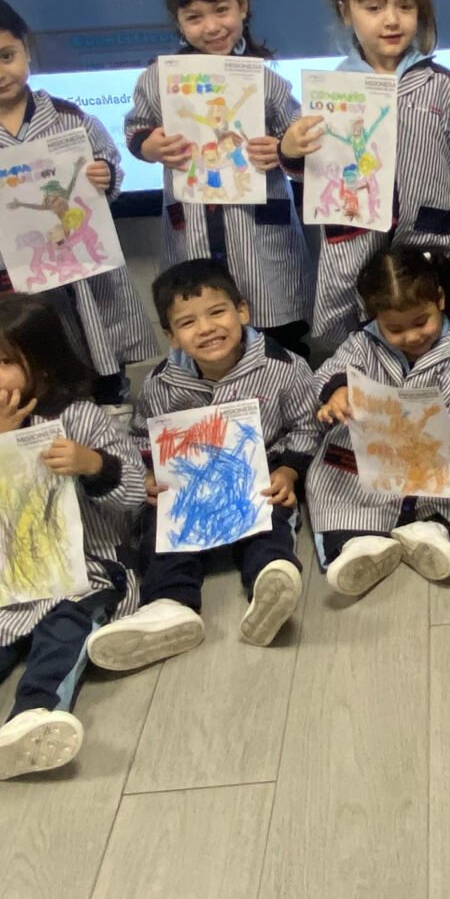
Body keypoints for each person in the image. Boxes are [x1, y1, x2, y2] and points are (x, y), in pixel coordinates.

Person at [0, 294, 146, 794]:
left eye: (4, 361)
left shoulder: (82, 418)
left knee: (66, 629)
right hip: (12, 569)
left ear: (45, 362)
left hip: (85, 564)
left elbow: (134, 494)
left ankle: (34, 714)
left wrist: (93, 464)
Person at [0, 0, 150, 403]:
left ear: (26, 48)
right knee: (28, 357)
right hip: (7, 273)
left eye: (6, 56)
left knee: (97, 346)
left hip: (79, 267)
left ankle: (110, 407)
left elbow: (109, 164)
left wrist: (103, 175)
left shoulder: (71, 119)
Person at [281, 0, 450, 351]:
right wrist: (292, 150)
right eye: (373, 7)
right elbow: (315, 170)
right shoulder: (332, 92)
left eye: (405, 6)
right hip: (358, 241)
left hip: (432, 240)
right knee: (362, 341)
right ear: (345, 11)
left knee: (440, 330)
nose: (391, 20)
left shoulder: (446, 88)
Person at [108, 259, 322, 666]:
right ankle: (170, 606)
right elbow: (139, 436)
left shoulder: (284, 367)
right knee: (159, 526)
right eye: (187, 322)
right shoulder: (161, 384)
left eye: (217, 312)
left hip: (257, 476)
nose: (206, 328)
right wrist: (149, 474)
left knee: (271, 518)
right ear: (171, 336)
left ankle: (270, 581)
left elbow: (307, 427)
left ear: (242, 311)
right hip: (189, 487)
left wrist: (289, 470)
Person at [125, 0, 314, 361]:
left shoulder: (266, 80)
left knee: (276, 330)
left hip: (258, 234)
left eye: (221, 10)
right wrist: (150, 146)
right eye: (194, 17)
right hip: (193, 225)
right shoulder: (158, 79)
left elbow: (298, 137)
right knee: (203, 325)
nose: (211, 26)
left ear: (242, 6)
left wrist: (282, 148)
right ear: (178, 21)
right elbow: (136, 127)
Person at [307, 244, 450, 596]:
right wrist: (338, 393)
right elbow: (329, 371)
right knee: (332, 490)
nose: (411, 336)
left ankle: (431, 532)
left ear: (440, 300)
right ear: (376, 318)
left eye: (421, 322)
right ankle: (356, 546)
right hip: (370, 456)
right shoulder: (361, 344)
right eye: (395, 329)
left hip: (432, 462)